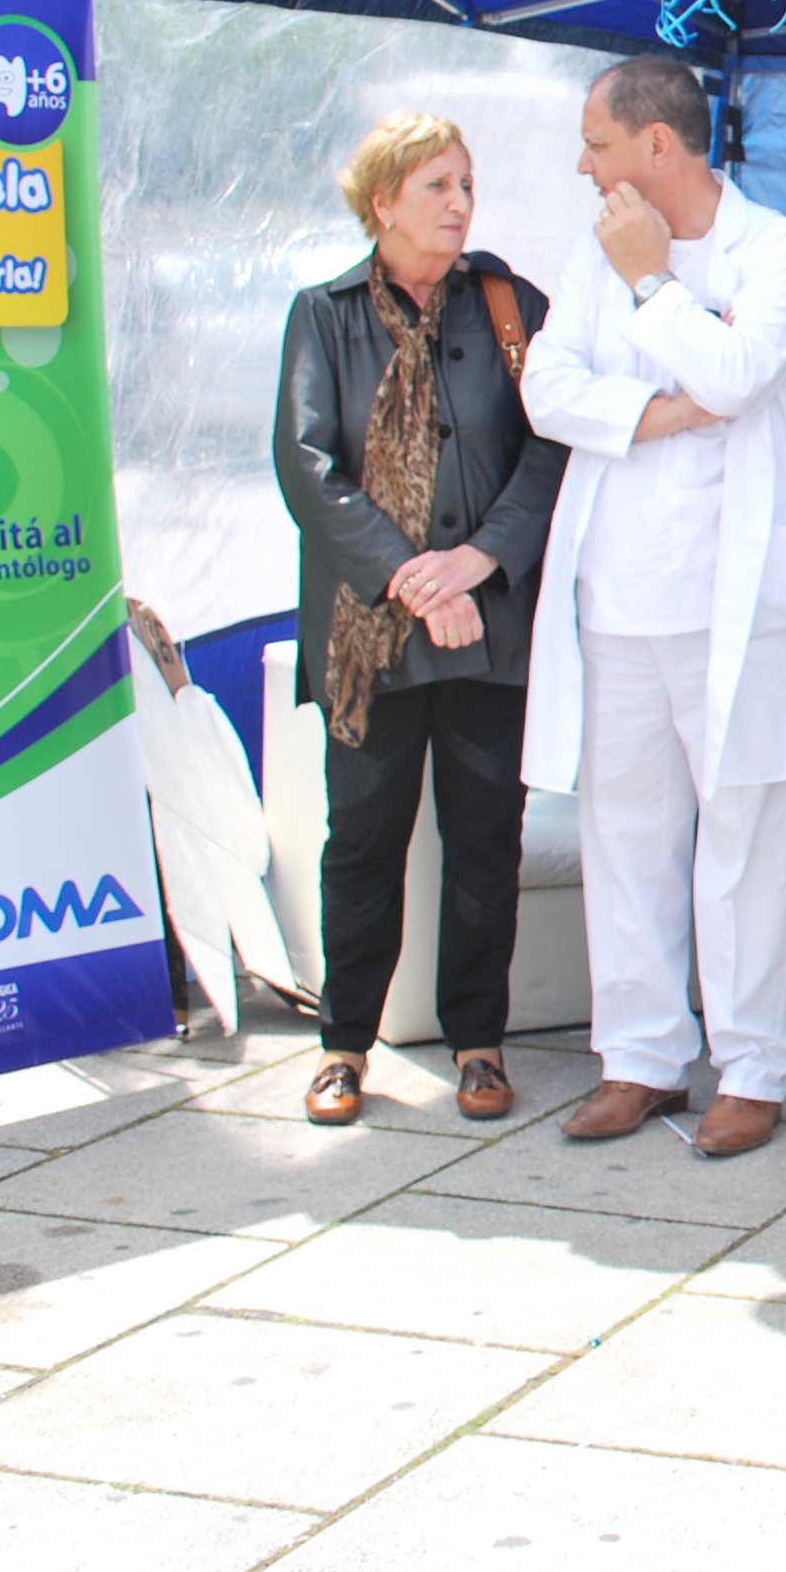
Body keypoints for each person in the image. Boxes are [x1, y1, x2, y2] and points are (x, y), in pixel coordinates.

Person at [520, 55, 786, 1159]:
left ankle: (751, 1067)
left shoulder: (780, 249)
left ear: (657, 144)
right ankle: (641, 1058)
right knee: (625, 838)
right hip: (617, 598)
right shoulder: (593, 249)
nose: (585, 166)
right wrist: (666, 411)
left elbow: (739, 374)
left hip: (739, 604)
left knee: (749, 844)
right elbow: (548, 389)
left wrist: (654, 283)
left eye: (597, 144)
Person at [272, 115, 565, 1127]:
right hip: (372, 635)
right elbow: (307, 467)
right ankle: (343, 1045)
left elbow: (553, 445)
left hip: (490, 627)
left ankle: (478, 1042)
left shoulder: (511, 306)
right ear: (382, 201)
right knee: (362, 841)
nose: (459, 203)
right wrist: (414, 582)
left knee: (486, 839)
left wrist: (478, 564)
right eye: (436, 185)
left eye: (467, 184)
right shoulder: (323, 315)